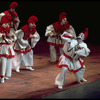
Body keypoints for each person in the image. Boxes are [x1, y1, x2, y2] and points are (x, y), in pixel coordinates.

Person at [0, 15, 16, 83]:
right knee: (3, 62)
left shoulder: (8, 29)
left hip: (8, 47)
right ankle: (2, 76)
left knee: (9, 61)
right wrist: (4, 35)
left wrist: (12, 36)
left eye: (7, 23)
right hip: (2, 47)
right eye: (6, 23)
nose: (7, 25)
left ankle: (6, 75)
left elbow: (13, 38)